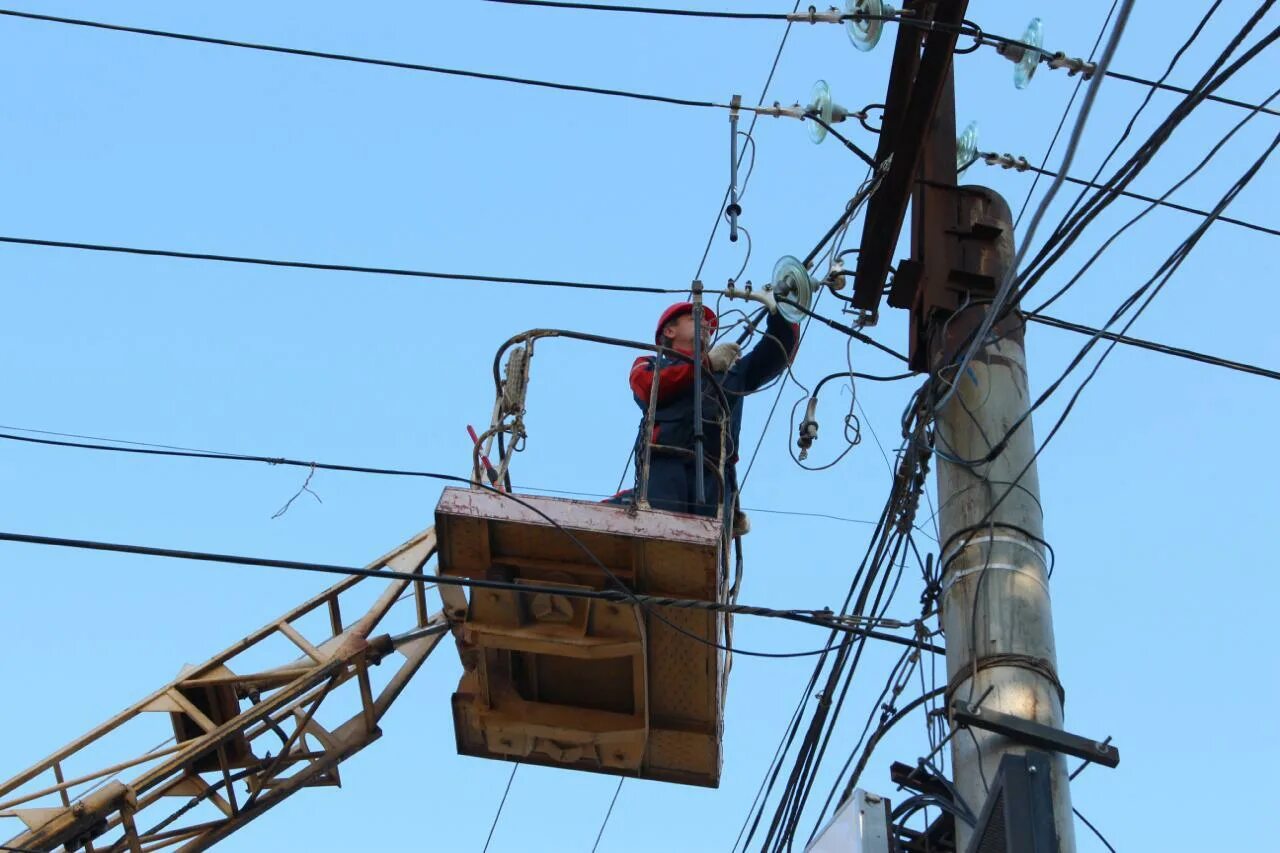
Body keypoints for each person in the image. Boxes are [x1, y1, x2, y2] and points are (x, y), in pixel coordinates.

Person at [626, 302, 799, 529]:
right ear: (670, 331)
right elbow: (648, 386)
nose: (706, 324)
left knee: (708, 542)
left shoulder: (729, 373)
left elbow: (775, 354)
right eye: (694, 319)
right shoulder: (651, 364)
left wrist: (782, 313)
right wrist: (703, 365)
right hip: (666, 465)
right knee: (660, 530)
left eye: (708, 323)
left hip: (715, 473)